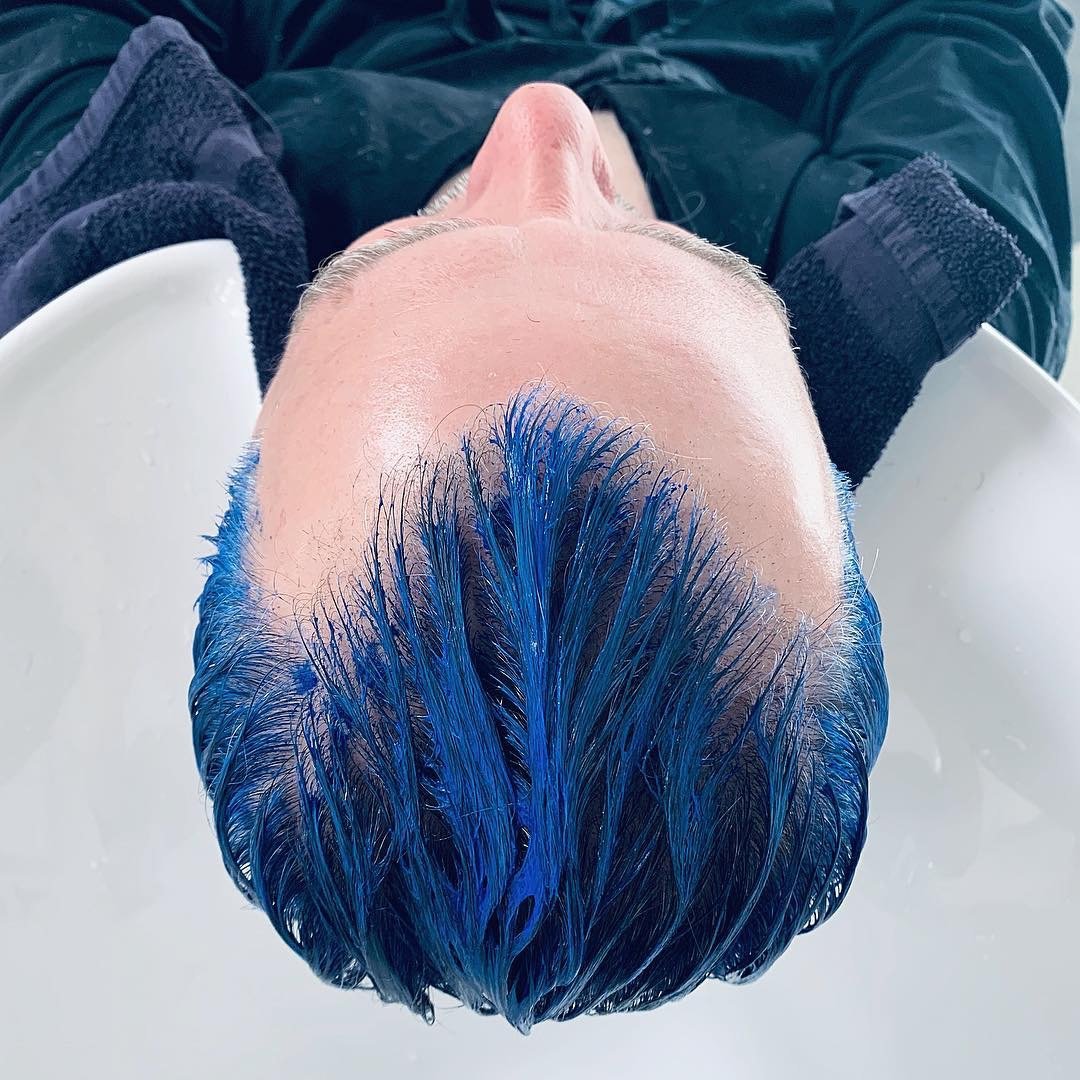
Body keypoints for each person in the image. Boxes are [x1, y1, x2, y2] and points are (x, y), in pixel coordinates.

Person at [0, 1, 1071, 1033]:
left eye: (410, 241)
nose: (540, 115)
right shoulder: (946, 276)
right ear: (832, 416)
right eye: (655, 248)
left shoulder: (123, 209)